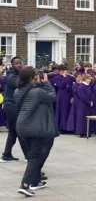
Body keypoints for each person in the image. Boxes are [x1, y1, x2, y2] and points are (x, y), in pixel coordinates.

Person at [14, 66, 58, 197]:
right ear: (31, 78)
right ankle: (25, 184)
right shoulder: (38, 92)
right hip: (35, 127)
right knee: (35, 157)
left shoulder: (17, 91)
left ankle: (34, 180)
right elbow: (52, 97)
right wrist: (47, 83)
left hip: (21, 125)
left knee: (32, 155)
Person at [0, 57, 28, 163]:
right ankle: (28, 155)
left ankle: (6, 155)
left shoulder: (18, 75)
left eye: (21, 63)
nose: (20, 65)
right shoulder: (11, 76)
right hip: (11, 106)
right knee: (19, 130)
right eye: (17, 64)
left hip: (14, 106)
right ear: (12, 65)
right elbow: (20, 85)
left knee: (13, 132)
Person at [55, 65, 75, 132]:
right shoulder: (57, 77)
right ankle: (61, 127)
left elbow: (72, 86)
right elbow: (61, 86)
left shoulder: (69, 77)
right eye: (63, 70)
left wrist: (72, 96)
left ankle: (67, 127)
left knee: (67, 111)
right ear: (60, 71)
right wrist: (63, 77)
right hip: (61, 96)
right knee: (61, 111)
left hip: (68, 95)